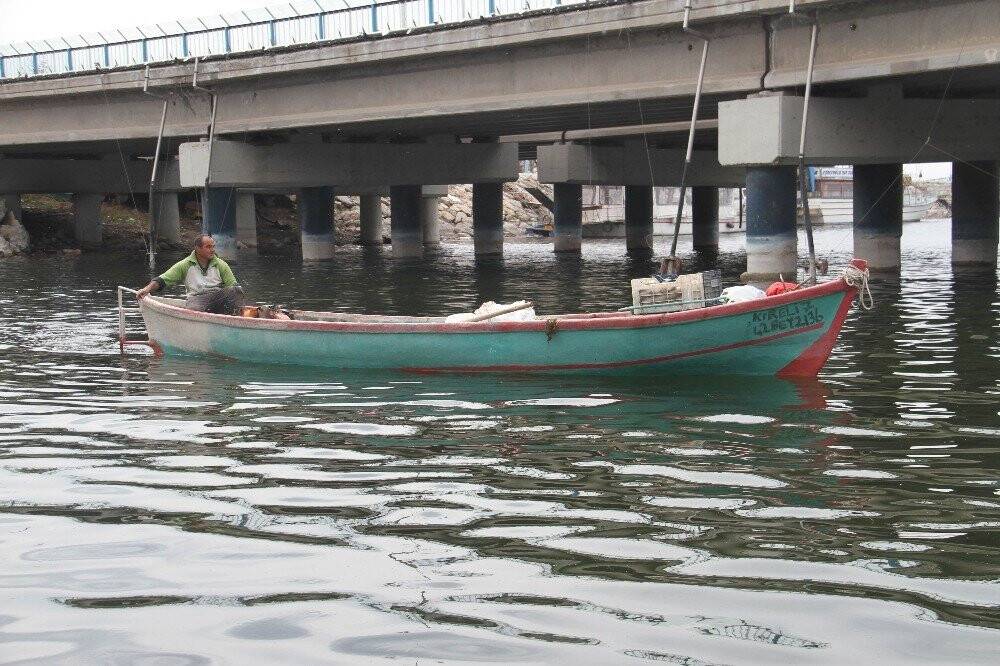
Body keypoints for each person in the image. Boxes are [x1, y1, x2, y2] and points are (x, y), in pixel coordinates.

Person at [135, 235, 245, 315]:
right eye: (208, 247)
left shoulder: (221, 265)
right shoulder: (185, 265)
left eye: (213, 246)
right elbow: (162, 280)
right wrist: (147, 289)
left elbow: (234, 286)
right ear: (197, 248)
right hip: (197, 299)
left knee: (235, 290)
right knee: (195, 310)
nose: (212, 250)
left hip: (217, 297)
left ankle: (236, 318)